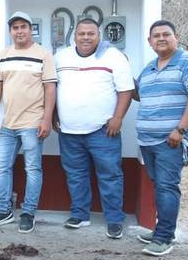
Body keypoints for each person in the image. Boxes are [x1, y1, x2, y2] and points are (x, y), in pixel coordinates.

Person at [54, 18, 134, 239]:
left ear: (99, 35)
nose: (86, 37)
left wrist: (118, 118)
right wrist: (53, 114)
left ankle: (115, 220)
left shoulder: (113, 56)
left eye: (91, 33)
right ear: (74, 36)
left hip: (103, 131)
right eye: (82, 34)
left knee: (110, 175)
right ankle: (80, 215)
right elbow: (52, 87)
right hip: (69, 131)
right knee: (75, 175)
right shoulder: (61, 57)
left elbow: (126, 90)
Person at [134, 20, 188, 256]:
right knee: (160, 185)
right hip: (148, 140)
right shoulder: (149, 67)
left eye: (166, 34)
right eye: (156, 36)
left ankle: (164, 238)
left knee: (166, 187)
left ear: (176, 37)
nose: (161, 39)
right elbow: (138, 94)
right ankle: (162, 230)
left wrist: (180, 130)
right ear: (150, 41)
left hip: (172, 140)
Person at [0, 12, 57, 233]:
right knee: (2, 168)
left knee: (32, 168)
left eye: (23, 26)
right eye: (15, 27)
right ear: (11, 31)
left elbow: (50, 88)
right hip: (7, 124)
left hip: (33, 123)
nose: (19, 31)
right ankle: (2, 211)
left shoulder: (43, 54)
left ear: (31, 29)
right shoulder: (3, 55)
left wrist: (46, 119)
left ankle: (28, 213)